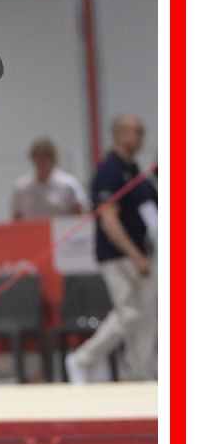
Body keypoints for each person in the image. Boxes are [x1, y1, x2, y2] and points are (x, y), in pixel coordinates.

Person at [65, 114, 157, 383]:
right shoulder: (109, 171)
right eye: (135, 131)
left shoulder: (135, 170)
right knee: (128, 313)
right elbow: (109, 220)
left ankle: (138, 372)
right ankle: (82, 359)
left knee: (146, 317)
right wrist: (135, 255)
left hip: (145, 253)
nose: (140, 137)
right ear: (119, 134)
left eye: (142, 131)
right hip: (119, 256)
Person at [11, 137, 87, 220]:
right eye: (38, 159)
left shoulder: (69, 185)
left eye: (45, 159)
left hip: (61, 227)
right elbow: (17, 218)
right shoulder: (21, 187)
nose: (41, 163)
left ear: (53, 160)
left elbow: (80, 216)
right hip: (32, 227)